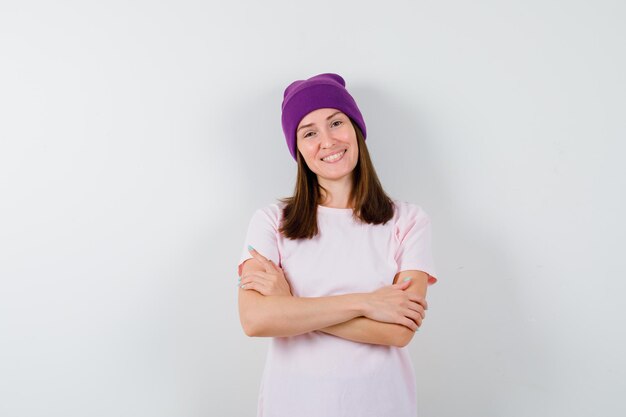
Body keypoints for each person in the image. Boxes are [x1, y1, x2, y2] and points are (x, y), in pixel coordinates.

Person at [236, 73, 438, 417]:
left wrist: (290, 306)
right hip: (293, 406)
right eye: (310, 132)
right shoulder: (272, 221)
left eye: (336, 123)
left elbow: (398, 332)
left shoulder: (408, 221)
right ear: (297, 148)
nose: (327, 141)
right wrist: (368, 303)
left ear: (356, 129)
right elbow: (256, 320)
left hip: (381, 406)